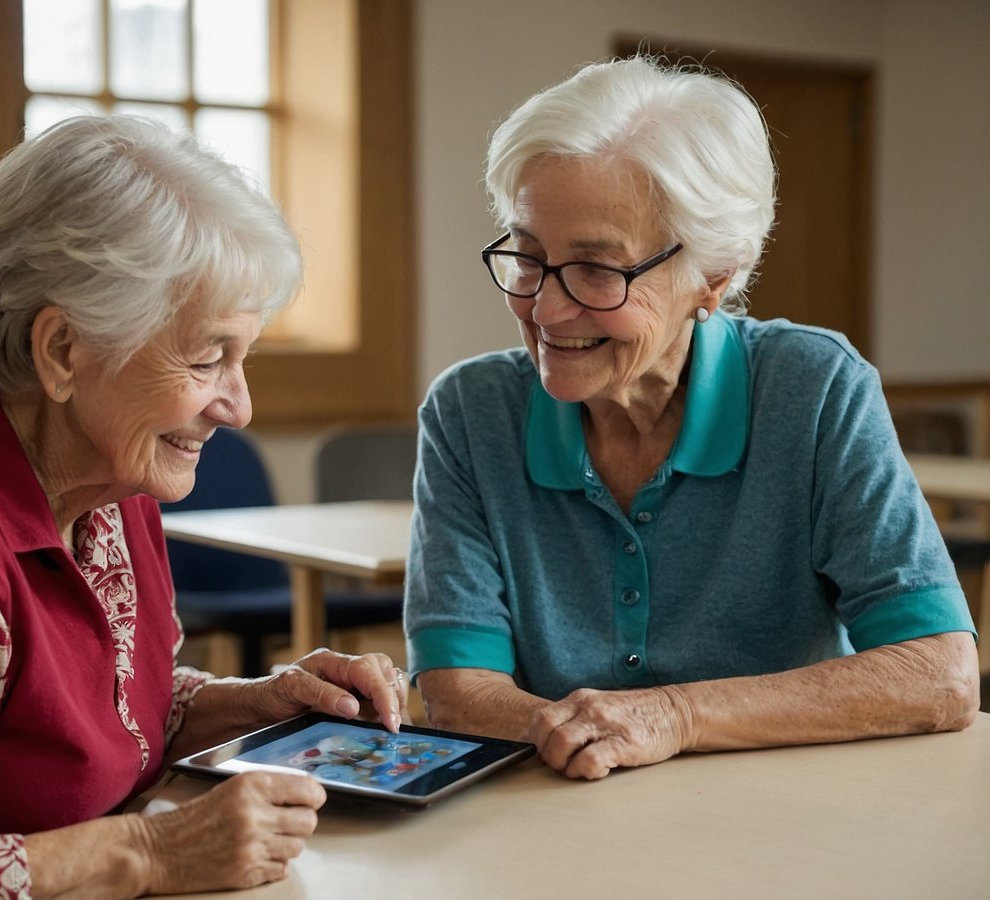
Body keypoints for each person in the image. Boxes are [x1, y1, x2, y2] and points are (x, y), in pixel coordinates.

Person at [0, 115, 409, 898]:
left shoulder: (100, 458)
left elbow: (114, 714)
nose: (239, 407)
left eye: (242, 358)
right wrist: (152, 852)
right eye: (206, 357)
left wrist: (268, 701)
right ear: (62, 351)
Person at [405, 55, 980, 781]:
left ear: (712, 277)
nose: (545, 309)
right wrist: (598, 739)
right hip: (563, 811)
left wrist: (673, 716)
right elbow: (458, 691)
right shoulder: (469, 410)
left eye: (597, 270)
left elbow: (938, 674)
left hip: (789, 811)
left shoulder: (813, 388)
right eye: (528, 255)